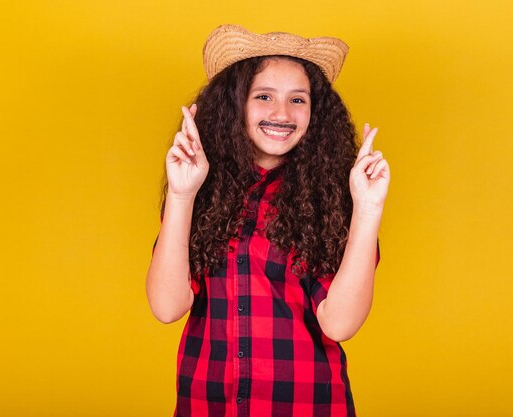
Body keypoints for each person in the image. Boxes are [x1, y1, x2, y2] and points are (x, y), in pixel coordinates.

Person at [146, 24, 390, 417]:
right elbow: (166, 306)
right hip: (207, 406)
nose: (282, 113)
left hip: (307, 405)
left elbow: (340, 324)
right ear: (235, 105)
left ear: (315, 113)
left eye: (298, 99)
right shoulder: (198, 189)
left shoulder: (333, 197)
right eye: (264, 96)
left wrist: (367, 207)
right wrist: (181, 194)